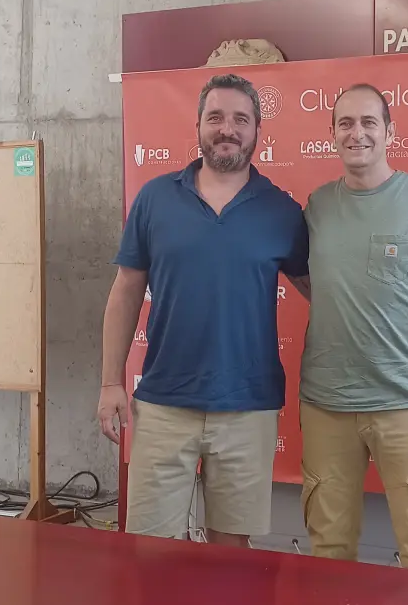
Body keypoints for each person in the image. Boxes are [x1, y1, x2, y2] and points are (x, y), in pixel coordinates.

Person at [96, 73, 311, 547]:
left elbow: (321, 290)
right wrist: (111, 382)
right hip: (163, 403)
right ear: (197, 125)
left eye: (240, 119)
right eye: (215, 117)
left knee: (231, 558)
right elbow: (126, 291)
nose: (227, 129)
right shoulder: (155, 198)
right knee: (150, 551)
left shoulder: (282, 211)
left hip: (248, 407)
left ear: (257, 130)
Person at [297, 83, 408, 573]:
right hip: (326, 404)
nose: (357, 133)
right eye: (346, 123)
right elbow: (311, 279)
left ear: (390, 132)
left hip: (407, 404)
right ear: (332, 134)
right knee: (329, 552)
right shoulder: (317, 206)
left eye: (369, 122)